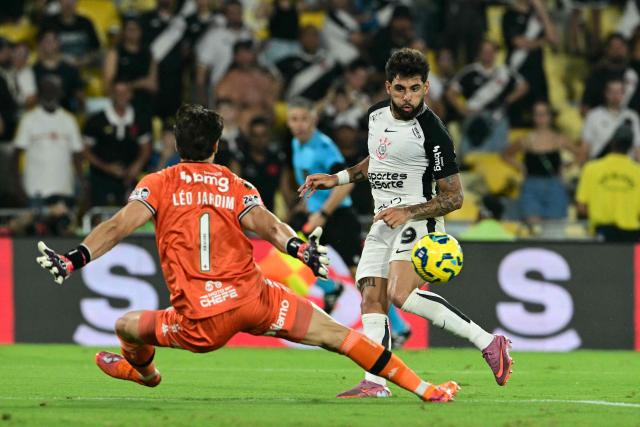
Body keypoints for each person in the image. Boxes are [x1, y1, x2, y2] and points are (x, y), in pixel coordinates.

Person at [35, 104, 459, 403]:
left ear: (177, 144)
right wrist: (300, 250)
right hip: (257, 299)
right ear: (217, 145)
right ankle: (427, 390)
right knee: (341, 337)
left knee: (126, 326)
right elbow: (270, 226)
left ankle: (147, 375)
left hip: (200, 321)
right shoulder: (236, 184)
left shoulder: (158, 183)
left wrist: (73, 258)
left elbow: (117, 226)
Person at [300, 48, 513, 398]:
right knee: (371, 296)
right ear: (388, 87)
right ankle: (376, 382)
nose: (408, 97)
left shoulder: (434, 133)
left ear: (426, 88)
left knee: (400, 294)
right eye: (400, 89)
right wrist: (336, 179)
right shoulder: (374, 117)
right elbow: (376, 161)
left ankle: (489, 341)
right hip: (383, 220)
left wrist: (409, 211)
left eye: (415, 89)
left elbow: (454, 197)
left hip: (419, 221)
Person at [287, 97, 361, 314]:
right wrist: (304, 206)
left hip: (338, 215)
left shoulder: (324, 147)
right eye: (294, 119)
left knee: (358, 275)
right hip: (316, 216)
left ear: (314, 120)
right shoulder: (296, 144)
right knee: (292, 251)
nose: (299, 124)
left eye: (304, 119)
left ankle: (396, 327)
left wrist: (323, 212)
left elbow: (346, 185)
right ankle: (330, 287)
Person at [12, 75, 84, 231]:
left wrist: (83, 185)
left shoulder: (69, 120)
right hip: (35, 192)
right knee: (33, 236)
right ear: (40, 93)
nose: (50, 94)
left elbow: (78, 156)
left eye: (54, 90)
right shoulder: (29, 119)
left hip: (64, 192)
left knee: (61, 237)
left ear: (60, 93)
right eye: (46, 90)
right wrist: (18, 187)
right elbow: (16, 155)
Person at [446, 40, 528, 156]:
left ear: (495, 53)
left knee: (497, 151)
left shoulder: (504, 72)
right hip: (474, 115)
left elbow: (523, 86)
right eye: (484, 51)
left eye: (491, 51)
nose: (488, 54)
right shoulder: (470, 71)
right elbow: (450, 92)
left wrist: (509, 99)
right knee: (468, 152)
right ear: (479, 53)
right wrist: (461, 109)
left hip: (498, 116)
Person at [503, 101, 579, 225]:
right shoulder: (526, 140)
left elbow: (579, 154)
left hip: (554, 185)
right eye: (538, 114)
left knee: (554, 227)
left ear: (550, 116)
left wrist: (566, 167)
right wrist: (521, 167)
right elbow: (506, 155)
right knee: (533, 226)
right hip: (532, 184)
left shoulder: (559, 139)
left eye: (544, 114)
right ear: (533, 117)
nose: (541, 118)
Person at [83, 81, 152, 207]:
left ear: (131, 94)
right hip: (101, 178)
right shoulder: (96, 121)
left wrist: (136, 166)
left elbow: (146, 148)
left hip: (131, 179)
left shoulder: (141, 119)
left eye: (125, 92)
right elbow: (86, 151)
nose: (122, 96)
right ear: (112, 94)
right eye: (118, 92)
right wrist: (106, 167)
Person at [576, 127, 640, 242]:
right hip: (632, 234)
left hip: (601, 232)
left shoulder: (591, 168)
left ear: (611, 142)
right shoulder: (638, 172)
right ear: (630, 147)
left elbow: (581, 207)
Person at [581, 78, 640, 162]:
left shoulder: (632, 117)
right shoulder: (593, 116)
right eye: (612, 92)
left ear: (624, 94)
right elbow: (585, 147)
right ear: (606, 93)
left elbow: (637, 147)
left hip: (625, 167)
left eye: (619, 92)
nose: (615, 96)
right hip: (600, 166)